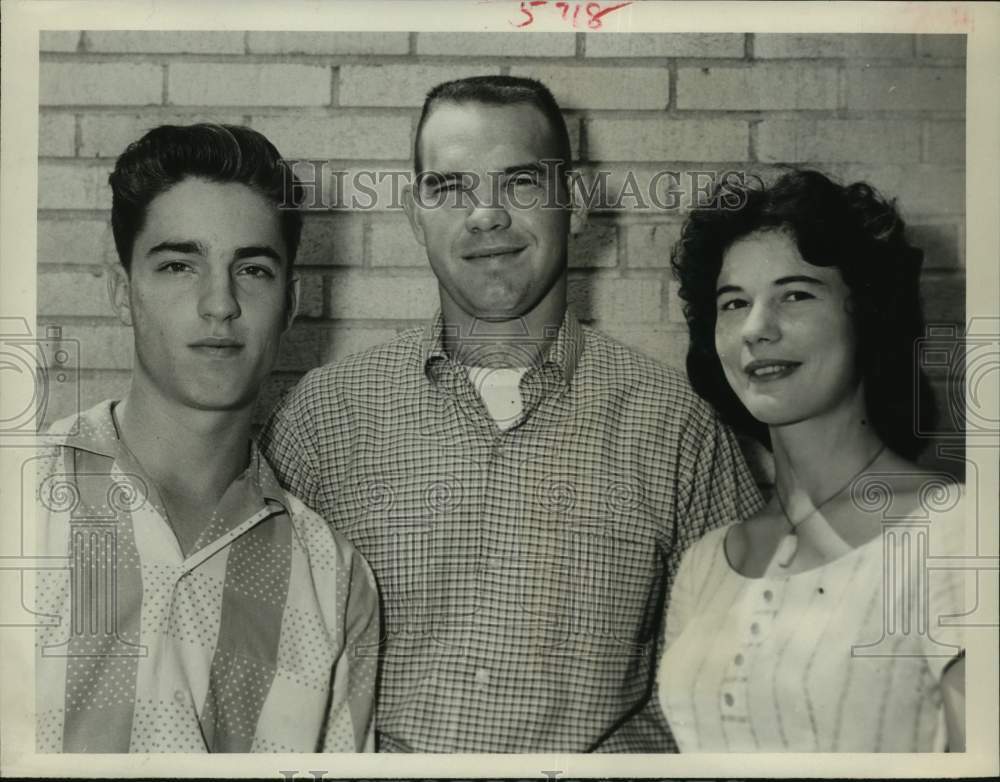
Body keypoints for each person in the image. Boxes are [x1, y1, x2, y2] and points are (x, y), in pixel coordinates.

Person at [260, 75, 762, 753]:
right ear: (415, 215)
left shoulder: (677, 426)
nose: (486, 216)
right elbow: (264, 679)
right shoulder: (324, 418)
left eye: (520, 183)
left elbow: (736, 693)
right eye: (450, 187)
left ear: (576, 205)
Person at [34, 124, 379, 753]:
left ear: (291, 301)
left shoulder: (333, 578)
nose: (219, 303)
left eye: (252, 268)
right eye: (177, 265)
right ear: (121, 292)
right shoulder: (16, 504)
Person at [660, 168, 967, 752]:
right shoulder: (706, 564)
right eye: (734, 303)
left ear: (867, 314)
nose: (756, 329)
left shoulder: (956, 534)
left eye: (795, 294)